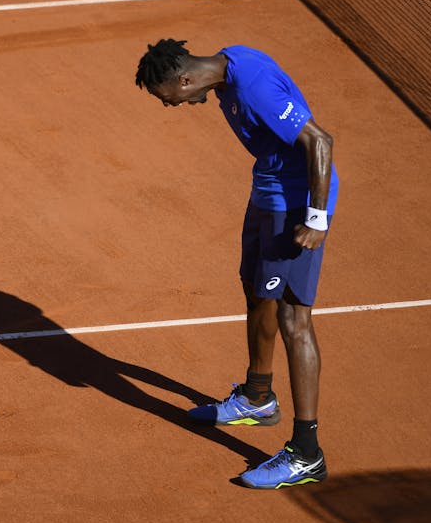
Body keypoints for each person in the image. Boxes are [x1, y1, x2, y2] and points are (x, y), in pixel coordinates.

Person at [134, 39, 339, 490]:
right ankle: (257, 398)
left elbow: (319, 142)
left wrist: (317, 219)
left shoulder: (254, 89)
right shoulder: (228, 64)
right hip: (267, 192)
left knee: (292, 317)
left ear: (184, 79)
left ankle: (307, 453)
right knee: (255, 290)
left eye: (166, 95)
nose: (170, 104)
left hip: (295, 204)